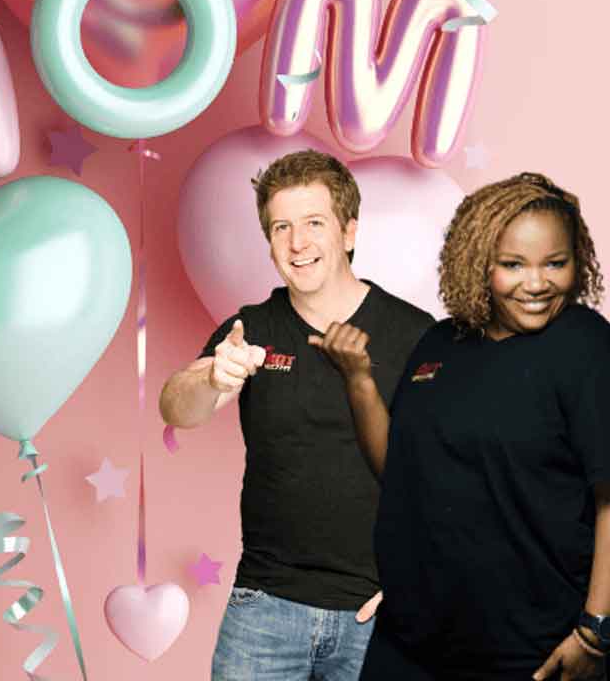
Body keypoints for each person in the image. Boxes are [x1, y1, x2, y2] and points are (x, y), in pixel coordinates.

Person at [315, 172, 610, 681]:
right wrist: (360, 381)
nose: (536, 283)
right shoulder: (439, 344)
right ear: (478, 262)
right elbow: (401, 473)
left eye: (555, 264)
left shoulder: (585, 346)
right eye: (512, 265)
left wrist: (595, 629)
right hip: (411, 642)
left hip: (530, 651)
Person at [160, 149, 434, 681]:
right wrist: (213, 374)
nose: (297, 243)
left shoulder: (415, 333)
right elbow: (178, 408)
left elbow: (448, 474)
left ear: (349, 232)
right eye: (281, 227)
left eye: (313, 223)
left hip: (378, 618)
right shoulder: (250, 330)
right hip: (263, 610)